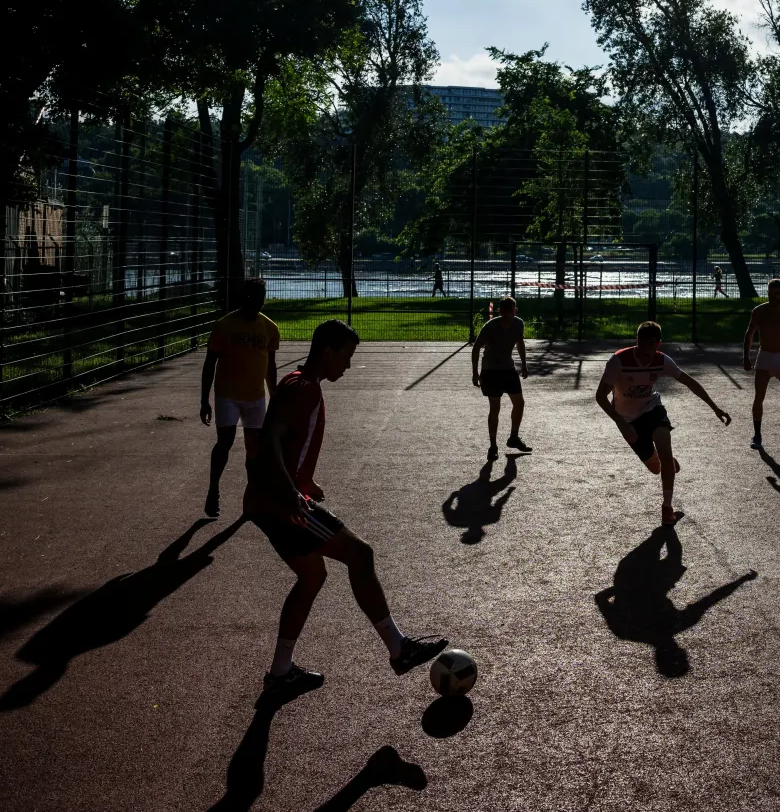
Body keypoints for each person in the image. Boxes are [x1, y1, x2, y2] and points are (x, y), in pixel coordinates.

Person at [246, 319, 447, 697]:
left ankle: (280, 672)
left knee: (311, 577)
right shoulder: (303, 389)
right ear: (328, 351)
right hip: (279, 503)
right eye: (346, 356)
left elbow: (284, 441)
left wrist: (303, 481)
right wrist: (292, 492)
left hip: (267, 500)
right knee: (360, 554)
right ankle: (399, 649)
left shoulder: (298, 382)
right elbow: (269, 439)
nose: (348, 366)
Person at [597, 321, 732, 525]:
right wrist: (621, 423)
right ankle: (665, 461)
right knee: (655, 468)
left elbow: (690, 382)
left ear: (658, 344)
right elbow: (600, 396)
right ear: (637, 341)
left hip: (652, 408)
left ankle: (667, 509)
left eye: (652, 344)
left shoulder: (662, 360)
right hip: (626, 419)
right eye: (643, 344)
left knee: (665, 453)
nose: (647, 350)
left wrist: (715, 407)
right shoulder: (618, 361)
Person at [199, 277, 279, 518]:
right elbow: (209, 363)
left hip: (255, 397)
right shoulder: (224, 326)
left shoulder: (269, 327)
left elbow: (270, 365)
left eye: (262, 299)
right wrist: (204, 399)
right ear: (244, 298)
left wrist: (273, 394)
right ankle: (214, 488)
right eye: (254, 298)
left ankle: (251, 497)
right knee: (225, 441)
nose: (258, 303)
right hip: (227, 395)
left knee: (254, 449)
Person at [743, 278, 780, 448]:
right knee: (759, 397)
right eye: (770, 293)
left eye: (777, 293)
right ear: (767, 292)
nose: (773, 297)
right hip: (765, 358)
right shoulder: (759, 311)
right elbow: (749, 334)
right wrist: (746, 357)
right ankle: (757, 435)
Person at [473, 296, 531, 462]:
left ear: (515, 311)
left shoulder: (519, 323)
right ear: (499, 312)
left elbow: (520, 343)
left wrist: (524, 364)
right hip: (491, 371)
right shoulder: (490, 327)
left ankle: (514, 437)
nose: (507, 316)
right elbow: (476, 348)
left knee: (519, 403)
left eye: (510, 312)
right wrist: (475, 372)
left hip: (508, 369)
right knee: (495, 408)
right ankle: (493, 445)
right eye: (504, 313)